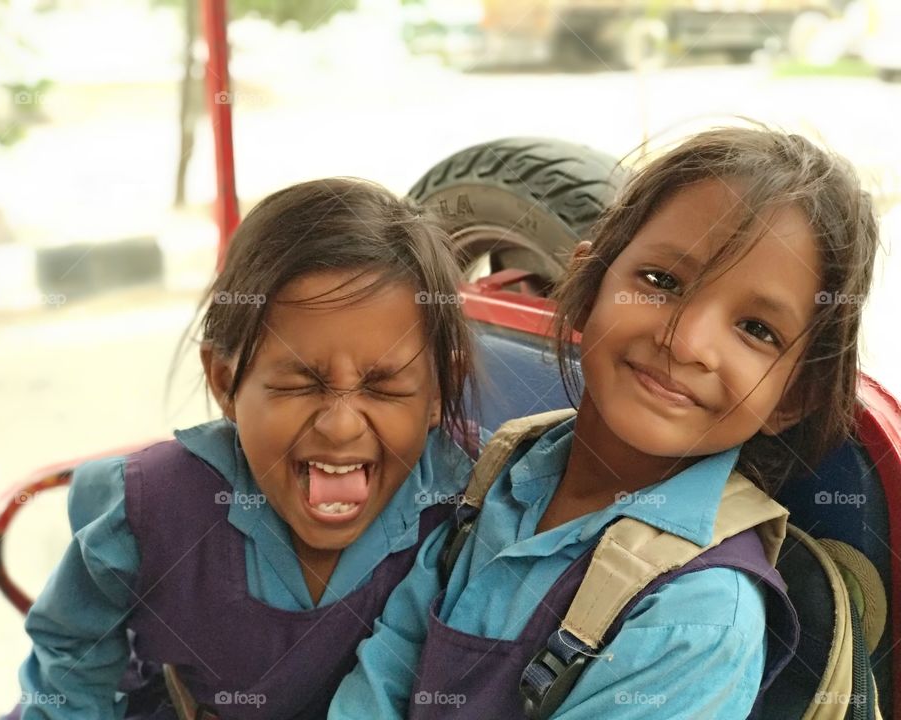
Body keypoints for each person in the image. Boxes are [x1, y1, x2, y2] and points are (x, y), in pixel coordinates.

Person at [328, 127, 879, 719]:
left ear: (793, 397)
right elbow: (390, 662)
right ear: (586, 287)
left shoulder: (700, 612)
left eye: (755, 329)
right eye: (661, 282)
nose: (685, 341)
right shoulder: (501, 470)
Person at [14, 178, 477, 719]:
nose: (341, 425)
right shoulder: (152, 507)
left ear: (438, 392)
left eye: (383, 386)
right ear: (225, 382)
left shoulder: (471, 507)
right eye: (300, 382)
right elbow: (70, 655)